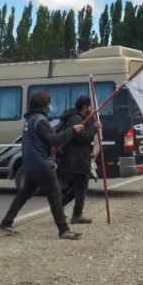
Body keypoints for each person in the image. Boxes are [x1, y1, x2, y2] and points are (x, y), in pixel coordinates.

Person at [0, 91, 84, 240]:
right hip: (41, 164)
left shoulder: (30, 119)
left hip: (31, 163)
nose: (50, 105)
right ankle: (63, 230)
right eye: (49, 102)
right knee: (55, 195)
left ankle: (7, 222)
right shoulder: (41, 121)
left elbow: (37, 143)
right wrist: (72, 130)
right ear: (44, 105)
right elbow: (54, 140)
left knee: (24, 194)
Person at [58, 95, 99, 225]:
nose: (90, 109)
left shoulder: (78, 117)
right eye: (89, 107)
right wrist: (94, 129)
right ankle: (76, 214)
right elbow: (82, 137)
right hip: (76, 159)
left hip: (78, 158)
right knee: (81, 185)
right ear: (84, 107)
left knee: (79, 186)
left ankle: (59, 206)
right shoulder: (76, 119)